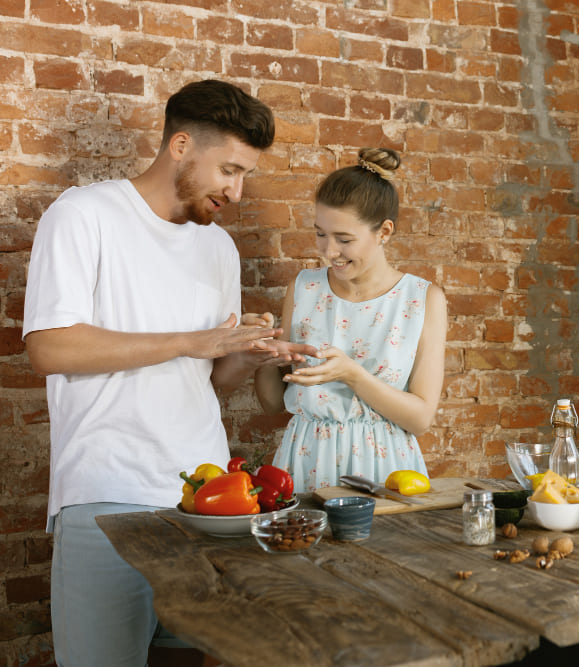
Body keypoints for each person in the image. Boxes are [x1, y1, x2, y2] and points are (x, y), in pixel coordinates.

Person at [22, 79, 316, 667]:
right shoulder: (85, 215)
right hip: (106, 496)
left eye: (245, 176)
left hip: (206, 501)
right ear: (180, 145)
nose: (235, 190)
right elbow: (50, 348)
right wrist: (194, 340)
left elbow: (209, 383)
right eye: (229, 170)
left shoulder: (218, 249)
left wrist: (242, 355)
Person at [248, 147, 446, 492]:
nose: (328, 251)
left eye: (344, 239)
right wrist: (263, 356)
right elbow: (274, 404)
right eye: (321, 233)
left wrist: (351, 374)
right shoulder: (304, 287)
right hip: (304, 459)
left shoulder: (422, 299)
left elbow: (420, 418)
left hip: (385, 470)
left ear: (384, 232)